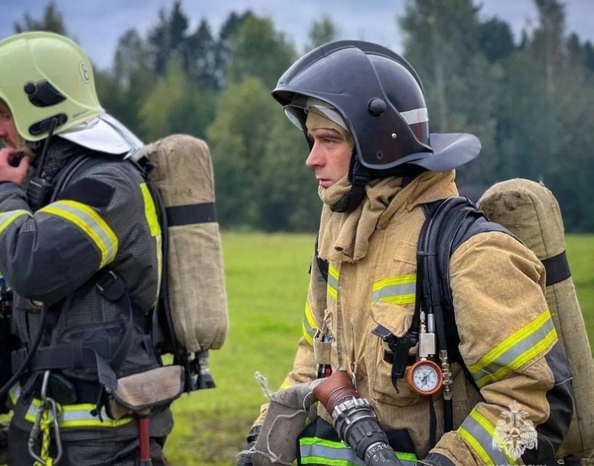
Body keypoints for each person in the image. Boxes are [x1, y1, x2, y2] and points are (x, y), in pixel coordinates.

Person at [238, 40, 574, 465]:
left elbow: (530, 404)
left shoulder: (471, 252)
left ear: (377, 146)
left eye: (328, 141)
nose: (312, 159)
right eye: (311, 140)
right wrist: (263, 435)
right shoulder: (339, 239)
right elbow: (313, 357)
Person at [0, 31, 173, 465]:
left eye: (3, 113)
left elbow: (32, 267)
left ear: (38, 107)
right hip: (49, 434)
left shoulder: (108, 185)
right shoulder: (59, 188)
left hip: (103, 445)